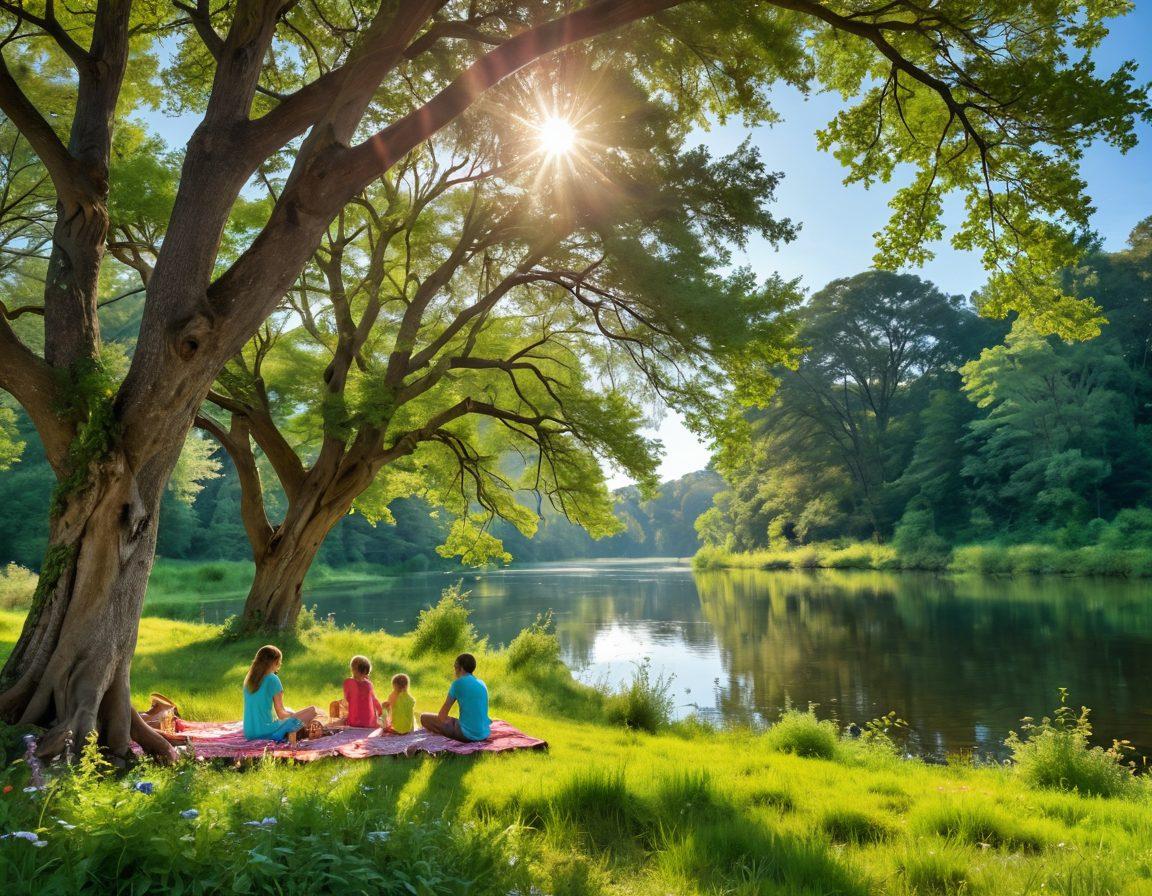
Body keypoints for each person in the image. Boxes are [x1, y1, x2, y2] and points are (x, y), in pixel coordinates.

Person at [242, 645, 318, 742]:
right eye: (279, 662)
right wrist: (296, 716)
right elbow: (281, 714)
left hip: (249, 733)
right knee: (313, 710)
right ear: (275, 662)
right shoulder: (272, 678)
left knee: (289, 709)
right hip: (266, 731)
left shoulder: (249, 679)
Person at [419, 653, 490, 742]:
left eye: (455, 667)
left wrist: (448, 723)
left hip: (467, 735)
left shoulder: (457, 684)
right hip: (484, 733)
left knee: (424, 717)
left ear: (460, 668)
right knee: (456, 721)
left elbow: (442, 716)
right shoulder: (482, 683)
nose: (454, 670)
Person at [342, 655, 383, 729]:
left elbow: (347, 700)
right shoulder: (369, 684)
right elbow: (374, 699)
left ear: (352, 669)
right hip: (369, 723)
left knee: (345, 716)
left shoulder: (348, 682)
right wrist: (380, 711)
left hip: (354, 722)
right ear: (366, 672)